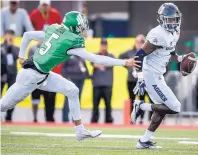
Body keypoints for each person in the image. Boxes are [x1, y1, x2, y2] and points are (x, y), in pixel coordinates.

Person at [0, 11, 140, 141]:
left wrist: (21, 56)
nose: (82, 30)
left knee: (72, 90)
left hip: (42, 74)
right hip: (29, 77)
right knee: (3, 105)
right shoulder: (71, 41)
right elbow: (96, 59)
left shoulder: (55, 29)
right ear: (74, 27)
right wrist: (124, 62)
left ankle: (80, 131)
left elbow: (27, 35)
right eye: (80, 27)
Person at [131, 3, 192, 149]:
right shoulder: (157, 34)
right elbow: (138, 56)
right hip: (150, 74)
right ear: (162, 19)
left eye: (174, 19)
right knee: (175, 107)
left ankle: (143, 141)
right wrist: (140, 79)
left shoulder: (175, 32)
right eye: (169, 20)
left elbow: (168, 52)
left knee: (162, 108)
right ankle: (141, 106)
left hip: (158, 74)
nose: (173, 22)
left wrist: (179, 58)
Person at [30, 0, 63, 122]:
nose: (44, 7)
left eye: (46, 5)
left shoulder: (54, 48)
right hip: (37, 75)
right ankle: (34, 118)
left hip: (48, 75)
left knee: (50, 97)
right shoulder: (34, 47)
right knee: (36, 98)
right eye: (43, 5)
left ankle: (50, 118)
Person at [119, 34, 153, 124]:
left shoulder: (147, 53)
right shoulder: (130, 52)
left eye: (141, 42)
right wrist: (128, 67)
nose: (139, 44)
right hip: (131, 79)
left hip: (142, 79)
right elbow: (120, 57)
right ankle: (132, 118)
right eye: (137, 42)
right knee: (132, 99)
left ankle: (141, 118)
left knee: (142, 99)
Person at [91, 38, 114, 123]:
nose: (103, 46)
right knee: (95, 105)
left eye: (105, 44)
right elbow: (92, 62)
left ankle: (108, 120)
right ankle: (94, 120)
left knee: (108, 104)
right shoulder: (95, 55)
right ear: (100, 45)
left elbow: (111, 63)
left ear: (107, 45)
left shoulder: (111, 55)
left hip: (107, 84)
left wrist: (99, 64)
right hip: (97, 84)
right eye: (102, 44)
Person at [61, 55, 89, 122]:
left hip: (81, 79)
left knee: (77, 100)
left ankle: (75, 119)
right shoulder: (68, 56)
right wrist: (66, 78)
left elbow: (84, 68)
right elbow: (63, 68)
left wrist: (87, 75)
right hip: (72, 79)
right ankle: (65, 119)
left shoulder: (81, 57)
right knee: (68, 98)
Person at [1, 30, 19, 122]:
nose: (10, 37)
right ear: (4, 36)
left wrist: (11, 46)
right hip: (2, 74)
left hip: (12, 75)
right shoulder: (1, 47)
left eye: (11, 35)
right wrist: (6, 45)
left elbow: (16, 56)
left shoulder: (16, 48)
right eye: (8, 35)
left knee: (12, 96)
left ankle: (9, 116)